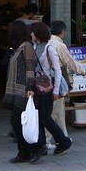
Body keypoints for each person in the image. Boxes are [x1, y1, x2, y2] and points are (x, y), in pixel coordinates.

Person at [30, 21, 72, 160]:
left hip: (47, 87)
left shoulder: (49, 48)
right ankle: (42, 145)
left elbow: (57, 71)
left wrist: (56, 91)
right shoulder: (35, 46)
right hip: (38, 86)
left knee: (46, 117)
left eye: (33, 32)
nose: (31, 34)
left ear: (38, 34)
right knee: (41, 117)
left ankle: (63, 141)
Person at [2, 19, 37, 163]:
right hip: (16, 89)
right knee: (18, 121)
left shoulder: (26, 46)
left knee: (17, 121)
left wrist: (30, 88)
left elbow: (30, 68)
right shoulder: (16, 48)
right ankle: (24, 152)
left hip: (23, 90)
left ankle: (31, 150)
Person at [47, 21, 80, 144]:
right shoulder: (60, 45)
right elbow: (70, 63)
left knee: (59, 111)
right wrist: (82, 71)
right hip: (57, 81)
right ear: (62, 31)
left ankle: (63, 137)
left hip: (46, 80)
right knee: (54, 112)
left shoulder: (46, 43)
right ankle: (47, 140)